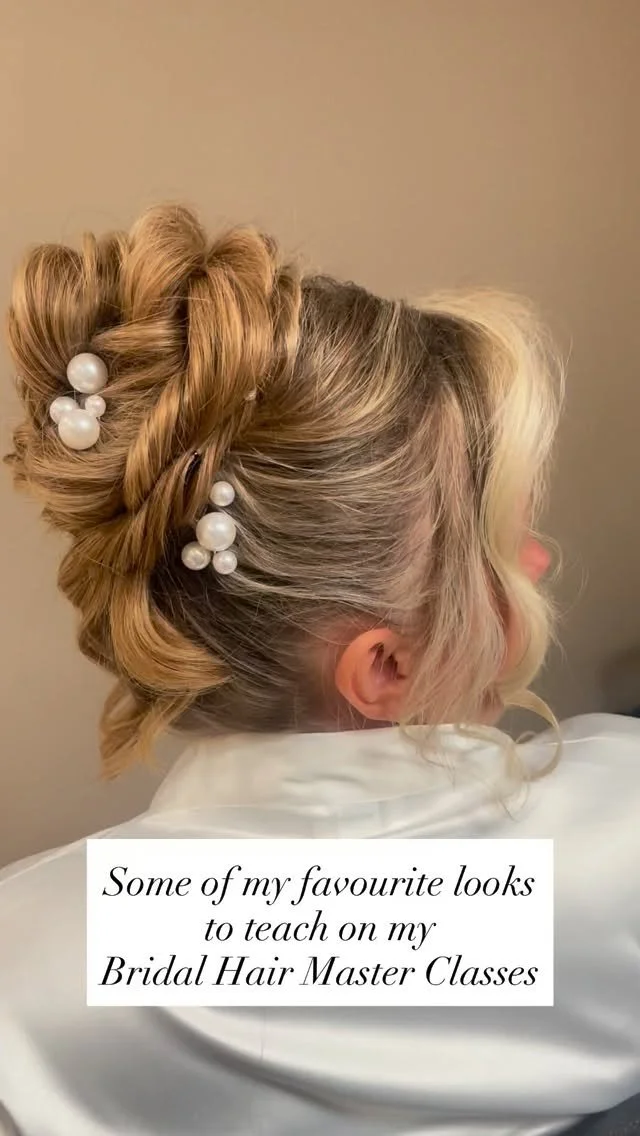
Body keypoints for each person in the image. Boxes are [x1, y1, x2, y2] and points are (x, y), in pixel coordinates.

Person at [1, 205, 639, 1136]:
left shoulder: (28, 965)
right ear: (385, 669)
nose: (538, 563)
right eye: (504, 552)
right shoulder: (616, 845)